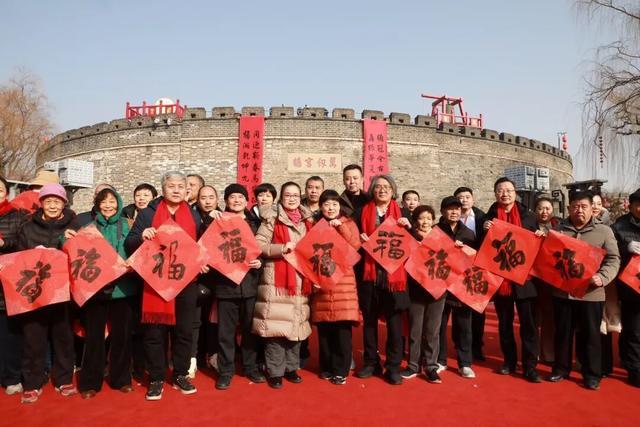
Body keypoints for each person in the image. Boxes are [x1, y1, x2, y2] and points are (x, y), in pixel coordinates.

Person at [125, 171, 205, 401]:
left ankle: (180, 374)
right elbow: (129, 242)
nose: (176, 190)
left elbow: (201, 245)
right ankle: (156, 377)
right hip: (156, 281)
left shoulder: (193, 214)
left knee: (184, 331)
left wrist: (201, 261)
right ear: (163, 189)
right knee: (154, 333)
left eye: (181, 186)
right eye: (172, 186)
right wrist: (142, 235)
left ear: (186, 190)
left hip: (185, 281)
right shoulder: (148, 213)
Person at [64, 188, 138, 399]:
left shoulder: (128, 225)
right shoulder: (88, 227)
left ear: (119, 203)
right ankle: (90, 383)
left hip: (123, 289)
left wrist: (132, 263)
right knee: (94, 337)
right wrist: (65, 238)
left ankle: (121, 379)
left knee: (122, 337)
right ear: (97, 205)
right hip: (96, 289)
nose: (108, 205)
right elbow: (73, 250)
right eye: (103, 202)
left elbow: (139, 248)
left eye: (112, 201)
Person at [548, 190, 620, 390]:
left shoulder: (604, 231)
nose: (579, 210)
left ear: (591, 209)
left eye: (584, 206)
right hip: (562, 292)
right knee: (562, 333)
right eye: (575, 206)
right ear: (569, 208)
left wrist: (603, 277)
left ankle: (591, 374)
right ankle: (560, 369)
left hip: (591, 294)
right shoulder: (558, 229)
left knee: (591, 335)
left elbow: (613, 259)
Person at [17, 183, 78, 403]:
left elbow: (81, 255)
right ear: (41, 203)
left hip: (63, 293)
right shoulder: (27, 227)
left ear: (64, 203)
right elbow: (18, 256)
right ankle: (32, 383)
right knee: (33, 339)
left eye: (57, 201)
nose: (52, 205)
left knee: (64, 338)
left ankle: (64, 379)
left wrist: (69, 243)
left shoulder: (74, 225)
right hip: (35, 293)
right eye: (48, 201)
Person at [252, 182, 313, 389]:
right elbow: (258, 244)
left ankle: (291, 368)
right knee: (276, 327)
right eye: (288, 195)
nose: (292, 199)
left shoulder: (308, 220)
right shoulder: (271, 218)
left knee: (296, 324)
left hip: (301, 279)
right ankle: (275, 371)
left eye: (295, 195)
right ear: (281, 197)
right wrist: (281, 248)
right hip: (276, 280)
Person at [482, 177, 542, 383]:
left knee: (528, 324)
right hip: (501, 280)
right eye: (501, 190)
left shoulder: (529, 217)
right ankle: (509, 361)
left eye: (509, 190)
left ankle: (530, 366)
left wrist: (539, 236)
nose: (505, 194)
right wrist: (485, 230)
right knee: (505, 324)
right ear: (495, 194)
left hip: (525, 279)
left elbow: (536, 245)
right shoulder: (488, 218)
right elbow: (483, 249)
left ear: (515, 193)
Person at [355, 174, 411, 385]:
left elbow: (417, 243)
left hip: (394, 277)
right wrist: (359, 239)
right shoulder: (361, 212)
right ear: (372, 190)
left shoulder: (403, 213)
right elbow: (350, 239)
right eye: (378, 186)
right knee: (369, 323)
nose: (382, 190)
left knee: (394, 324)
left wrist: (409, 228)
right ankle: (371, 362)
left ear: (393, 191)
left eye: (386, 186)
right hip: (369, 275)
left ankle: (393, 366)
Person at [212, 184, 264, 390]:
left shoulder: (255, 222)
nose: (236, 200)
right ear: (226, 201)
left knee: (250, 330)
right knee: (225, 333)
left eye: (240, 197)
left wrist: (260, 263)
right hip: (226, 286)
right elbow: (208, 248)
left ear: (246, 200)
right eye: (232, 197)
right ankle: (226, 371)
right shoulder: (217, 222)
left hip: (250, 284)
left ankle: (250, 367)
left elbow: (262, 249)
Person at [311, 190, 361, 385]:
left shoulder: (348, 223)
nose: (330, 208)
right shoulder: (315, 225)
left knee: (342, 331)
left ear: (340, 206)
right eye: (326, 204)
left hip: (343, 283)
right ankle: (325, 366)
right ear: (320, 207)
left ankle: (341, 370)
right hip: (322, 282)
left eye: (334, 204)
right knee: (324, 330)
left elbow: (355, 246)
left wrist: (341, 228)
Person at [402, 205, 447, 383]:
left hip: (437, 291)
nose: (425, 222)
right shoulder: (409, 238)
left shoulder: (441, 238)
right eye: (421, 218)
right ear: (415, 221)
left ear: (433, 220)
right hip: (415, 290)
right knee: (415, 330)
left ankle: (431, 366)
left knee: (432, 331)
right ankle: (413, 365)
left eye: (429, 218)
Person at [435, 197, 477, 379]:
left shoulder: (468, 233)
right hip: (440, 285)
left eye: (457, 209)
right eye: (450, 209)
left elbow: (476, 258)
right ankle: (440, 360)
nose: (454, 212)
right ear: (442, 211)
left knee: (464, 326)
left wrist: (465, 250)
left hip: (462, 286)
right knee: (439, 325)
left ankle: (465, 363)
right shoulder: (436, 231)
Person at [189, 185, 220, 378]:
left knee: (214, 320)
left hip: (219, 277)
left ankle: (213, 356)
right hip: (197, 276)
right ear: (197, 200)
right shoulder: (191, 218)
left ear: (217, 199)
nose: (207, 201)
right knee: (195, 320)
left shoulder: (223, 216)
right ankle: (194, 358)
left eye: (211, 197)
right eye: (203, 198)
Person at [0, 176, 26, 396]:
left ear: (6, 193)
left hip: (6, 285)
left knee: (9, 334)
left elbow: (23, 244)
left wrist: (4, 243)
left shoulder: (18, 216)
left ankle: (12, 377)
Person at [454, 186, 487, 361]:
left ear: (473, 199)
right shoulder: (451, 218)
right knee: (459, 310)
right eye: (460, 197)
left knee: (478, 310)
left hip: (478, 268)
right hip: (457, 269)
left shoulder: (483, 218)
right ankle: (460, 344)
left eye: (467, 197)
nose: (464, 200)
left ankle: (477, 346)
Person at [612, 188, 640, 388]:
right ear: (630, 206)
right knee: (634, 330)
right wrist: (625, 249)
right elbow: (609, 253)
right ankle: (635, 369)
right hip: (631, 287)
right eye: (638, 205)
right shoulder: (619, 226)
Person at [533, 196, 559, 364]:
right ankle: (533, 352)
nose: (544, 212)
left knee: (550, 319)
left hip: (552, 280)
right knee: (533, 319)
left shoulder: (560, 226)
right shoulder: (529, 225)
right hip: (533, 279)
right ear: (535, 210)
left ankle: (548, 353)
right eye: (541, 208)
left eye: (548, 208)